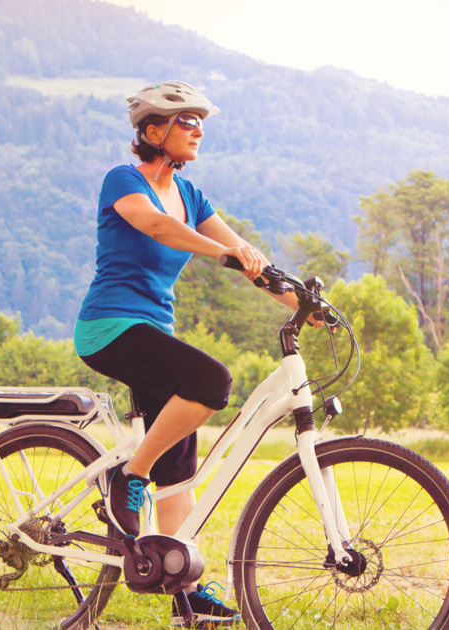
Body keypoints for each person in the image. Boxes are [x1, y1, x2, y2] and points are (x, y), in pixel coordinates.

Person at [73, 80, 308, 627]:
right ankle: (128, 476)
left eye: (202, 121)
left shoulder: (193, 194)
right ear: (153, 131)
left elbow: (250, 260)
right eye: (187, 121)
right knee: (211, 382)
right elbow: (157, 225)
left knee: (179, 473)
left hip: (155, 333)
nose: (199, 129)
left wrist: (301, 299)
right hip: (109, 328)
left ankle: (185, 591)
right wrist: (224, 252)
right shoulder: (123, 180)